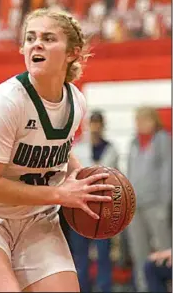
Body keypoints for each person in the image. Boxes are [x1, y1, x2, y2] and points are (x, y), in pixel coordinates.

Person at [0, 7, 115, 292]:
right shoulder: (8, 102)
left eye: (48, 38)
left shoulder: (76, 102)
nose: (37, 43)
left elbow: (59, 148)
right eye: (30, 38)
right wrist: (61, 194)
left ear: (72, 52)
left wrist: (83, 180)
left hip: (36, 219)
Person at [70, 110, 119, 292]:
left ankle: (104, 288)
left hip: (103, 209)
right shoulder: (78, 148)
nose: (95, 127)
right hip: (81, 208)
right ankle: (83, 288)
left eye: (98, 123)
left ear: (103, 125)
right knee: (81, 255)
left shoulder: (110, 149)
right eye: (93, 123)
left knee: (103, 254)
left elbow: (113, 178)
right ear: (88, 125)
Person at [126, 106, 172, 292]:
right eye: (137, 120)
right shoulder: (133, 143)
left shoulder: (163, 140)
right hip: (136, 206)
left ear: (153, 121)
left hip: (156, 205)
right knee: (139, 253)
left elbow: (167, 173)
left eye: (144, 120)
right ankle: (144, 288)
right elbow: (129, 173)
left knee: (164, 251)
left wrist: (164, 204)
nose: (140, 124)